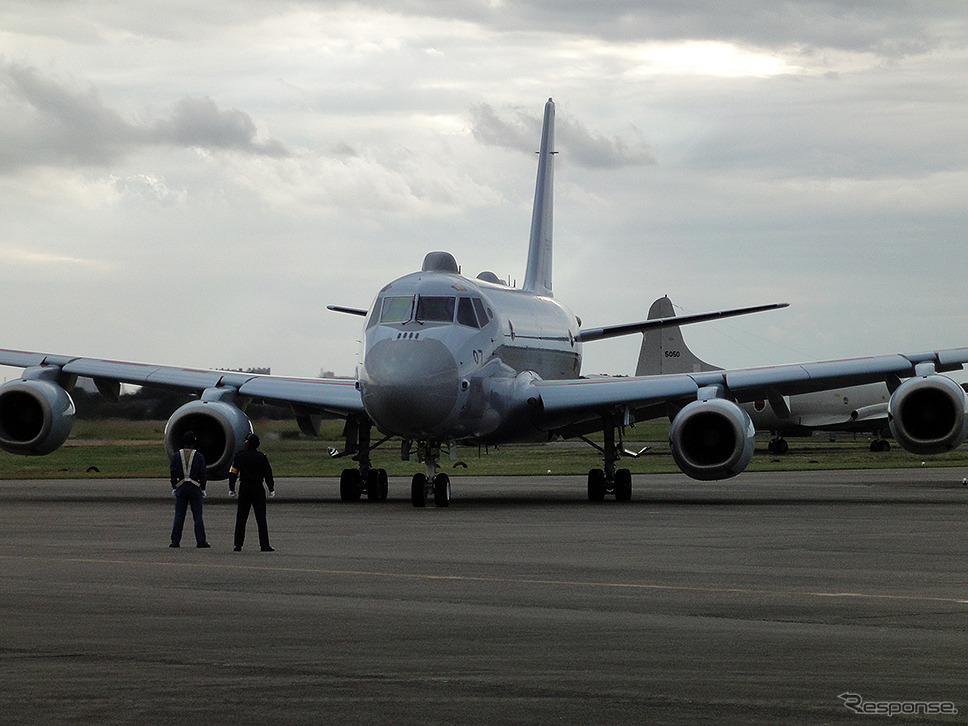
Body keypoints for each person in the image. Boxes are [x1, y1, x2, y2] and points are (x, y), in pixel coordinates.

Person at [228, 432, 275, 552]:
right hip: (258, 488)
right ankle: (264, 545)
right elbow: (268, 474)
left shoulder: (240, 456)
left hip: (245, 488)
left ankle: (238, 544)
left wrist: (232, 488)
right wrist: (271, 488)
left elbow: (233, 473)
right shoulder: (261, 457)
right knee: (261, 518)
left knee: (241, 517)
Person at [169, 430, 210, 548]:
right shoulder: (199, 456)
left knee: (179, 515)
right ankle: (201, 541)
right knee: (197, 515)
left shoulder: (176, 456)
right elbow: (203, 473)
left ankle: (175, 541)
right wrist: (203, 487)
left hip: (181, 487)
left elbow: (173, 472)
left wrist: (173, 486)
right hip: (194, 487)